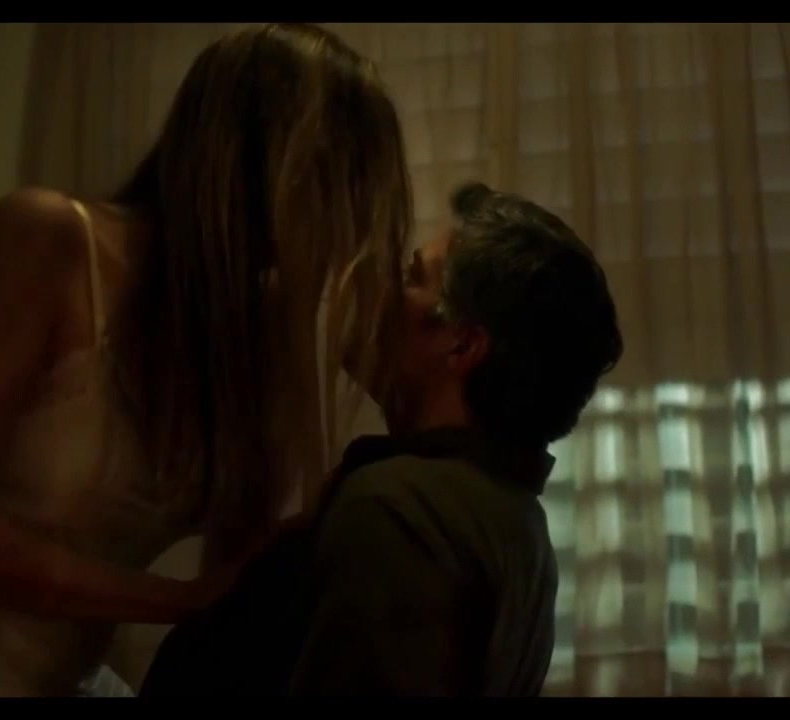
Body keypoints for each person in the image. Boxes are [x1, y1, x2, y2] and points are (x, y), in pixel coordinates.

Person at [0, 23, 412, 697]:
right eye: (339, 185)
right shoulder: (48, 240)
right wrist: (174, 600)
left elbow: (248, 568)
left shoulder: (248, 331)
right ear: (265, 163)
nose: (346, 224)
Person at [138, 181, 624, 697]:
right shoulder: (514, 521)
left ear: (462, 346)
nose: (382, 288)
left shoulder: (399, 511)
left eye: (413, 277)